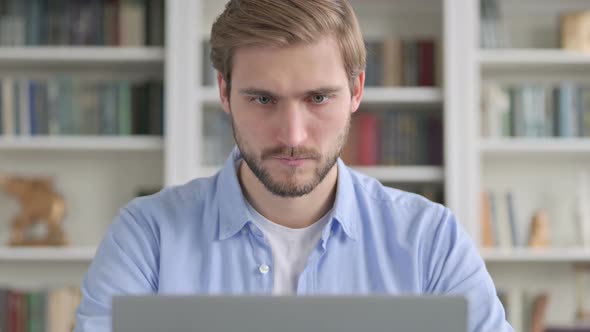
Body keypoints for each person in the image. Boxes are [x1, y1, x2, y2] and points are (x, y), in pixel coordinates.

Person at [75, 0, 513, 331]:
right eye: (263, 99)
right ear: (224, 92)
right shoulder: (146, 237)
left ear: (356, 90)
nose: (293, 135)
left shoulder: (429, 240)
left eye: (318, 98)